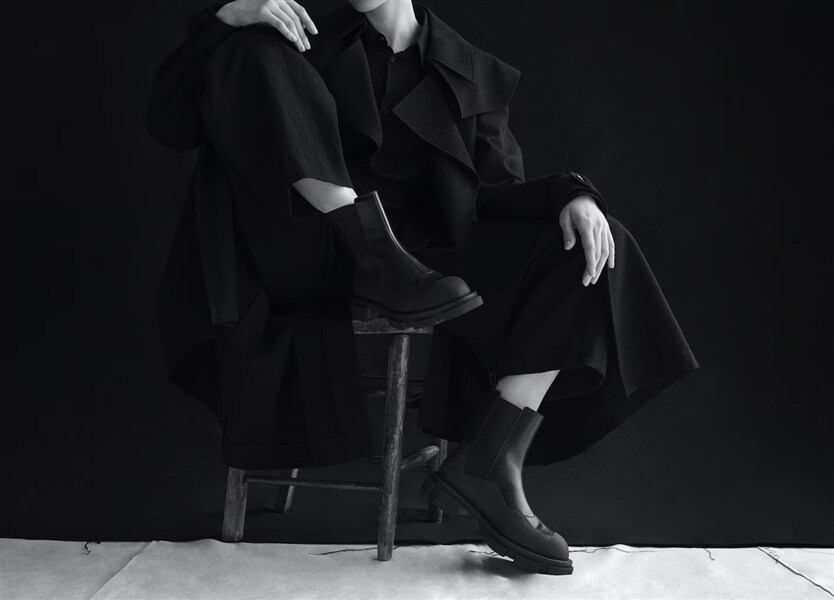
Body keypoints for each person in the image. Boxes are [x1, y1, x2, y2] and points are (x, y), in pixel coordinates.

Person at [147, 0, 700, 575]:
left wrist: (574, 195)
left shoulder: (468, 69)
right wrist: (227, 18)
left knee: (592, 241)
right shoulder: (292, 40)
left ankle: (489, 461)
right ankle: (371, 249)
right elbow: (171, 123)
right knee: (252, 46)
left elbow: (493, 192)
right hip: (317, 253)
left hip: (427, 264)